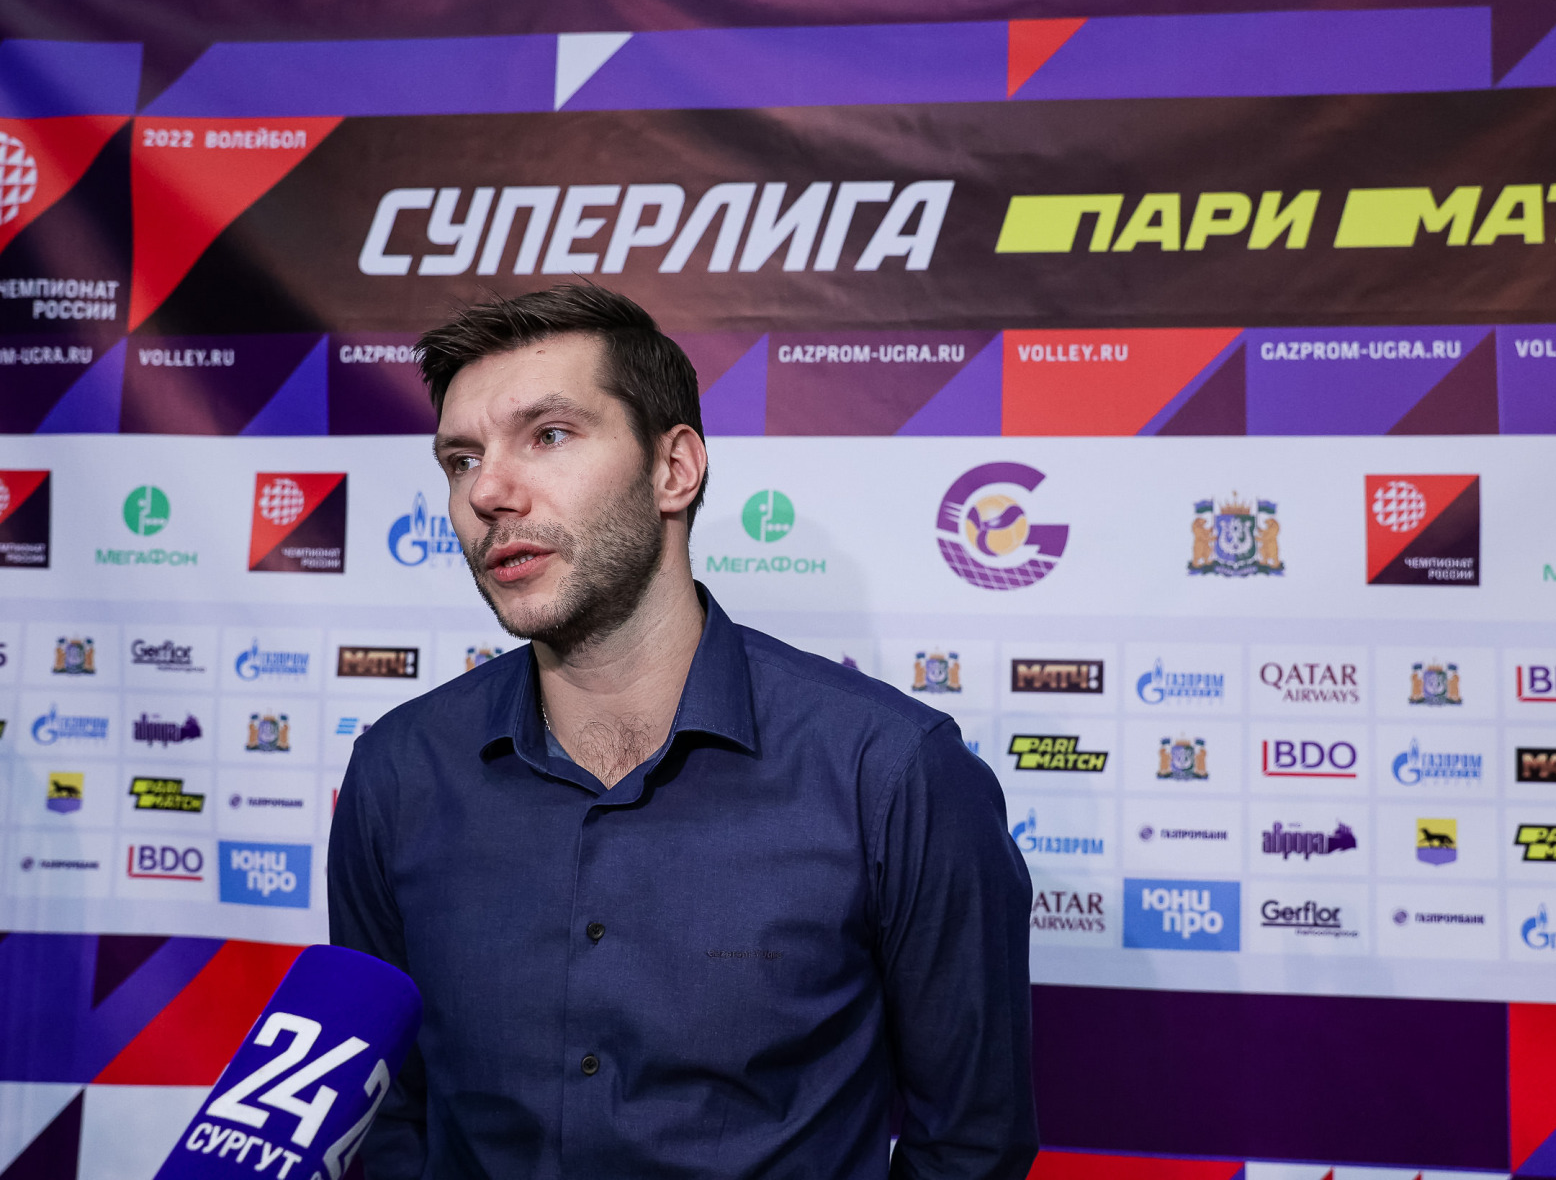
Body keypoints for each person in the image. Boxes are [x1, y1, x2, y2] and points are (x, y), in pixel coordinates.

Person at [327, 284, 1037, 1179]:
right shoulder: (398, 771)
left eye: (549, 435)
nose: (489, 492)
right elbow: (387, 1111)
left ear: (675, 469)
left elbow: (971, 1145)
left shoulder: (892, 773)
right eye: (461, 459)